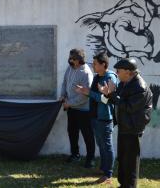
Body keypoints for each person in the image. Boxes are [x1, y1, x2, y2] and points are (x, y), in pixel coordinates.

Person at [98, 58, 153, 188]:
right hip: (125, 126)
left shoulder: (140, 86)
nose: (116, 73)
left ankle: (130, 186)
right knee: (123, 158)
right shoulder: (125, 82)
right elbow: (117, 100)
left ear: (128, 72)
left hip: (133, 128)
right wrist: (107, 94)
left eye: (118, 70)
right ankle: (123, 184)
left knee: (131, 161)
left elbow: (129, 107)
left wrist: (112, 95)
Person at [75, 53, 117, 183]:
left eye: (95, 64)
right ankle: (104, 168)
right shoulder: (98, 76)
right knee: (101, 145)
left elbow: (107, 100)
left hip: (104, 118)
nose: (93, 66)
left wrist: (89, 92)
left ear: (103, 64)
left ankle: (108, 174)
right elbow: (96, 95)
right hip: (95, 116)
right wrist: (85, 92)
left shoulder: (110, 78)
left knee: (107, 146)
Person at [60, 48, 95, 168]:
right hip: (71, 109)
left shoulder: (86, 73)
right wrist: (63, 95)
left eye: (72, 58)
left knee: (87, 135)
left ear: (78, 60)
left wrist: (70, 103)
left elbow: (85, 96)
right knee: (72, 132)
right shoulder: (70, 68)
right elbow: (64, 82)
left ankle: (90, 159)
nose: (69, 60)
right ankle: (75, 154)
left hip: (84, 110)